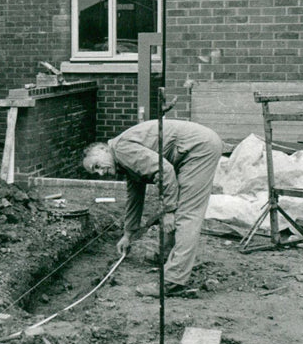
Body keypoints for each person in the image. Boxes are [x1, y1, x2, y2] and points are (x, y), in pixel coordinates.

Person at [83, 119, 223, 296]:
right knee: (176, 211)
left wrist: (170, 211)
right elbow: (135, 195)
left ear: (103, 149)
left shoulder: (121, 149)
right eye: (96, 173)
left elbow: (165, 171)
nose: (101, 173)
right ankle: (166, 256)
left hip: (198, 148)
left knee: (186, 214)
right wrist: (128, 234)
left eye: (97, 166)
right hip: (194, 148)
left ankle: (173, 282)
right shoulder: (122, 160)